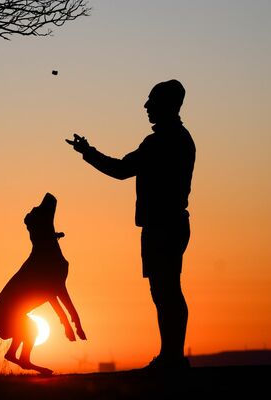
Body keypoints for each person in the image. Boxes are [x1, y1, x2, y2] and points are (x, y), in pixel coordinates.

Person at [66, 79, 195, 370]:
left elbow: (121, 170)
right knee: (166, 290)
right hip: (169, 224)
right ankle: (171, 356)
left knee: (166, 291)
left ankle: (171, 358)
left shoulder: (162, 142)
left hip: (163, 226)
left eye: (152, 101)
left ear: (167, 105)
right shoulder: (178, 139)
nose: (146, 106)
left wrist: (88, 153)